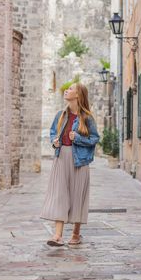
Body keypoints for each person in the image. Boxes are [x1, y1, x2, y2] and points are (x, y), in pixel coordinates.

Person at [40, 82, 100, 246]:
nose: (66, 90)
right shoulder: (60, 115)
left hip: (79, 161)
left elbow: (95, 139)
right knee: (60, 195)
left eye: (71, 89)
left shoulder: (87, 118)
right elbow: (53, 133)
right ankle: (57, 236)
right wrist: (55, 142)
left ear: (78, 95)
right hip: (61, 158)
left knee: (77, 196)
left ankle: (76, 234)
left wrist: (78, 138)